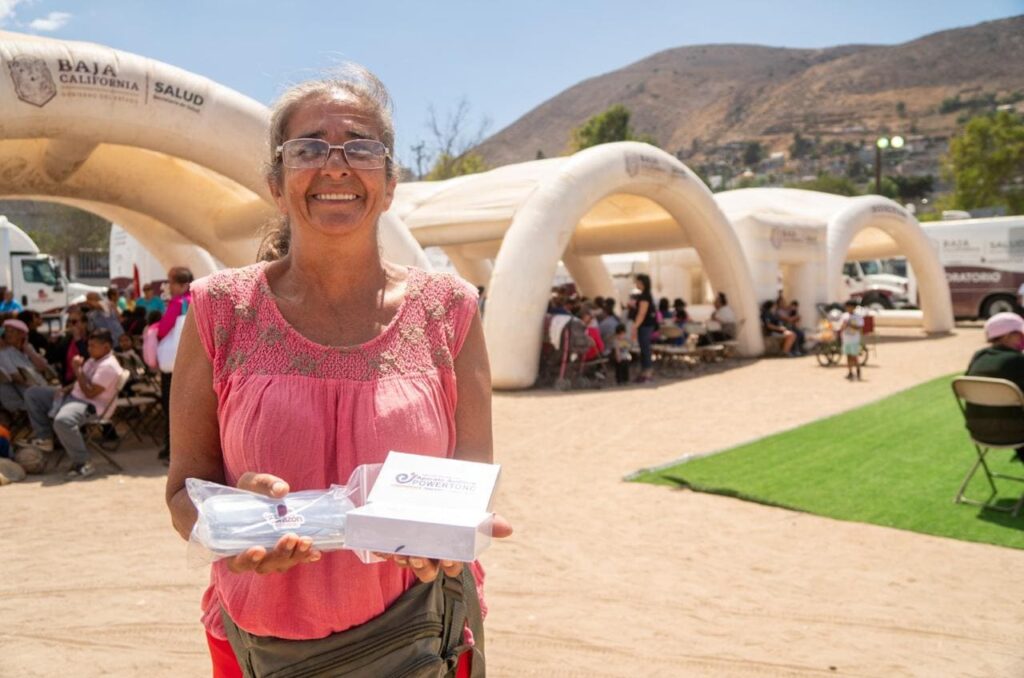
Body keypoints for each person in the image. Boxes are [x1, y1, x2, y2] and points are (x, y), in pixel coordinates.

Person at [164, 65, 511, 677]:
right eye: (308, 148)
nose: (335, 164)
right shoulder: (220, 309)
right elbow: (183, 492)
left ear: (391, 180)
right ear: (276, 182)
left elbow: (470, 474)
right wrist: (229, 528)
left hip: (420, 636)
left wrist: (448, 538)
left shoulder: (450, 310)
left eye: (360, 147)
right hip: (261, 647)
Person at [21, 328, 122, 479]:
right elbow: (82, 382)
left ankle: (83, 462)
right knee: (33, 393)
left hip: (90, 405)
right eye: (89, 345)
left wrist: (77, 369)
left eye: (93, 346)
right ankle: (45, 437)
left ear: (106, 347)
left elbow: (89, 392)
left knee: (63, 421)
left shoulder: (108, 366)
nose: (89, 349)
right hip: (75, 396)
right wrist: (65, 389)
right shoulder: (95, 359)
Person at [965, 312, 1024, 462]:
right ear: (1007, 336)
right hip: (1016, 432)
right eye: (1020, 335)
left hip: (978, 430)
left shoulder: (978, 356)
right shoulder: (1017, 360)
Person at [155, 266, 193, 464]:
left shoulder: (178, 303)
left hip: (174, 365)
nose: (168, 286)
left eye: (171, 282)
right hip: (193, 365)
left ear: (181, 284)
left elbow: (163, 329)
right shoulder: (196, 301)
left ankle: (171, 450)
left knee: (170, 407)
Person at [0, 318, 50, 412]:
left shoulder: (28, 348)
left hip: (42, 388)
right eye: (6, 331)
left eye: (11, 331)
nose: (8, 334)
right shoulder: (4, 354)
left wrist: (27, 349)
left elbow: (43, 367)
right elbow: (17, 377)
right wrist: (39, 387)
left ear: (22, 334)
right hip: (30, 394)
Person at [631, 273, 657, 382]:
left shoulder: (644, 296)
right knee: (644, 349)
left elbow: (642, 313)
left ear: (641, 282)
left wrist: (635, 326)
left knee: (645, 349)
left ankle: (648, 372)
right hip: (647, 325)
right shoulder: (646, 295)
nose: (635, 283)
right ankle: (644, 371)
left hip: (645, 326)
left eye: (637, 281)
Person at [838, 299, 865, 380]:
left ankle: (858, 371)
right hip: (846, 338)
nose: (849, 308)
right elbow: (841, 327)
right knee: (848, 356)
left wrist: (850, 324)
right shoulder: (844, 316)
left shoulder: (857, 317)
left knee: (854, 356)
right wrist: (844, 325)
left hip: (854, 339)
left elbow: (860, 327)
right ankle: (850, 372)